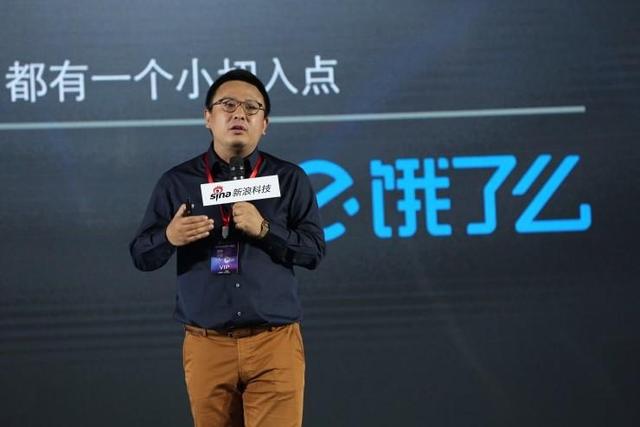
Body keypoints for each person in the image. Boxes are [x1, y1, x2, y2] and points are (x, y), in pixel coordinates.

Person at [130, 69, 325, 427]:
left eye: (252, 107)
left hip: (274, 343)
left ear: (265, 124)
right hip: (208, 345)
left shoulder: (289, 179)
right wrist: (169, 237)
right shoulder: (178, 182)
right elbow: (141, 254)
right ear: (207, 117)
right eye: (228, 105)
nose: (240, 114)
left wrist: (265, 229)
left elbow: (313, 252)